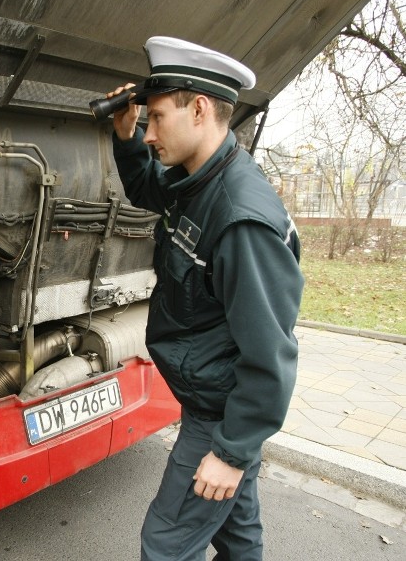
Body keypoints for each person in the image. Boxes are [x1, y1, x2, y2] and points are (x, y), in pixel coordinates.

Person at [108, 37, 304, 560]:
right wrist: (126, 137)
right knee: (239, 538)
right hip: (210, 401)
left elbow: (272, 354)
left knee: (167, 544)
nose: (149, 134)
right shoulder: (196, 182)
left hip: (222, 414)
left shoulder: (241, 219)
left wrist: (232, 451)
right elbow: (148, 190)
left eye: (155, 118)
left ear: (198, 109)